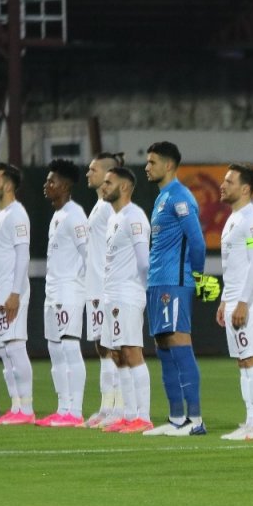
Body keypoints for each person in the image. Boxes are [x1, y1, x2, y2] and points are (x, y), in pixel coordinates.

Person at [142, 141, 215, 436]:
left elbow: (197, 242)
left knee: (180, 344)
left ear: (168, 165)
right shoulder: (161, 198)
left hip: (175, 282)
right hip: (157, 281)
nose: (147, 167)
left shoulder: (181, 197)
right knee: (163, 348)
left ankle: (195, 421)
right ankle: (175, 419)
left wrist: (195, 276)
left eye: (152, 162)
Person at [215, 163, 253, 440]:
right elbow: (233, 266)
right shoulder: (234, 217)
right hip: (236, 299)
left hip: (251, 300)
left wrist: (243, 302)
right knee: (242, 361)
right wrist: (226, 300)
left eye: (229, 181)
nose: (222, 185)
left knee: (252, 358)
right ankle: (251, 421)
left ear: (245, 188)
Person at [101, 166, 155, 433]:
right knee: (118, 354)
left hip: (128, 294)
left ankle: (142, 417)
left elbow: (145, 262)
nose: (103, 185)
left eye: (109, 182)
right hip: (112, 295)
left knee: (132, 351)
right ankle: (128, 413)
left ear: (123, 187)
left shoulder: (135, 217)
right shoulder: (114, 218)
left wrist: (143, 293)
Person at [37, 159, 90, 427]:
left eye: (52, 181)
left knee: (69, 347)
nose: (47, 185)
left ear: (66, 186)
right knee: (55, 350)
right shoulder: (58, 215)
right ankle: (62, 408)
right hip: (53, 291)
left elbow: (88, 255)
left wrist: (82, 288)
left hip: (69, 290)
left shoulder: (75, 215)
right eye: (47, 181)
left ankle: (75, 411)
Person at [0, 163, 35, 424]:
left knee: (15, 348)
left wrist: (15, 293)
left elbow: (22, 254)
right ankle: (15, 406)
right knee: (4, 351)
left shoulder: (17, 214)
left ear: (7, 185)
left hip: (10, 292)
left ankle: (26, 409)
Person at [83, 152, 124, 428]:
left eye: (93, 169)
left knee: (113, 347)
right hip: (95, 287)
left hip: (107, 289)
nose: (89, 174)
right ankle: (106, 405)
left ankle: (118, 407)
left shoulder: (111, 208)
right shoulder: (99, 206)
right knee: (102, 347)